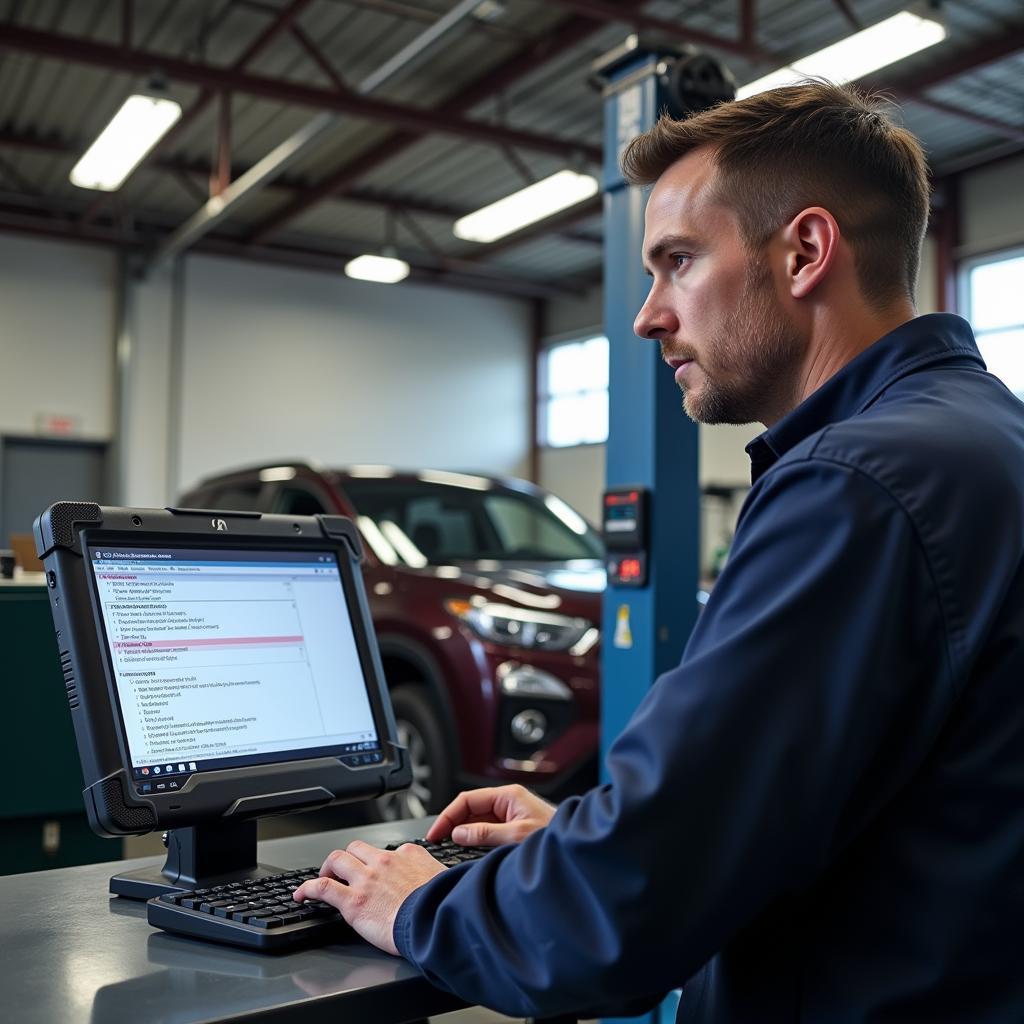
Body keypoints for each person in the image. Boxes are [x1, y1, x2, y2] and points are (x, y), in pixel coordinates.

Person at [294, 81, 1024, 1021]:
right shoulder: (985, 438)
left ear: (806, 251)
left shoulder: (855, 484)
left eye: (677, 261)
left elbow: (621, 915)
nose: (647, 315)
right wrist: (586, 839)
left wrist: (426, 904)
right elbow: (880, 805)